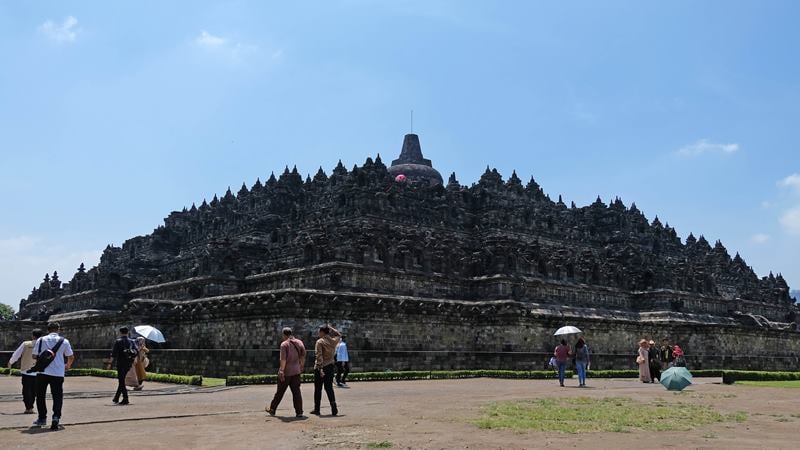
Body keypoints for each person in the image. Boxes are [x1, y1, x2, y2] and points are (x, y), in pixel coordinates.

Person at [32, 322, 74, 430]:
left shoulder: (41, 340)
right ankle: (56, 417)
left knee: (40, 395)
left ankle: (42, 418)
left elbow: (34, 356)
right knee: (57, 396)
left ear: (48, 329)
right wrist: (67, 366)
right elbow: (71, 356)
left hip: (42, 371)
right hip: (58, 373)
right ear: (58, 329)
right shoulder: (64, 341)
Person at [266, 327, 306, 418]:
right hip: (296, 371)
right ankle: (299, 411)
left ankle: (272, 409)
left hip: (287, 371)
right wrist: (301, 366)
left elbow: (283, 359)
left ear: (284, 334)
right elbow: (303, 356)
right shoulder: (300, 343)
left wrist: (281, 370)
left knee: (280, 392)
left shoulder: (284, 344)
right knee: (296, 392)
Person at [7, 328, 44, 414]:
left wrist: (10, 362)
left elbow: (17, 354)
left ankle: (28, 407)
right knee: (35, 391)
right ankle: (31, 407)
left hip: (26, 371)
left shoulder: (26, 344)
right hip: (39, 372)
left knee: (26, 390)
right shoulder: (44, 344)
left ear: (32, 335)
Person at [311, 324, 341, 416]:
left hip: (321, 367)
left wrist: (320, 369)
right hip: (330, 366)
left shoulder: (320, 342)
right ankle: (333, 407)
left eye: (319, 331)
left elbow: (319, 356)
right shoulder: (333, 341)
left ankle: (317, 409)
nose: (318, 333)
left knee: (318, 389)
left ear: (322, 332)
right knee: (329, 387)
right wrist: (331, 328)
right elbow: (339, 335)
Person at [109, 326, 137, 405]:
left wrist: (109, 363)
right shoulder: (132, 341)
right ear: (127, 332)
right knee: (121, 380)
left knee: (121, 381)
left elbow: (113, 354)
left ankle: (125, 398)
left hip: (121, 363)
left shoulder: (118, 341)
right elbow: (136, 351)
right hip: (128, 363)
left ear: (120, 333)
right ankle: (116, 398)